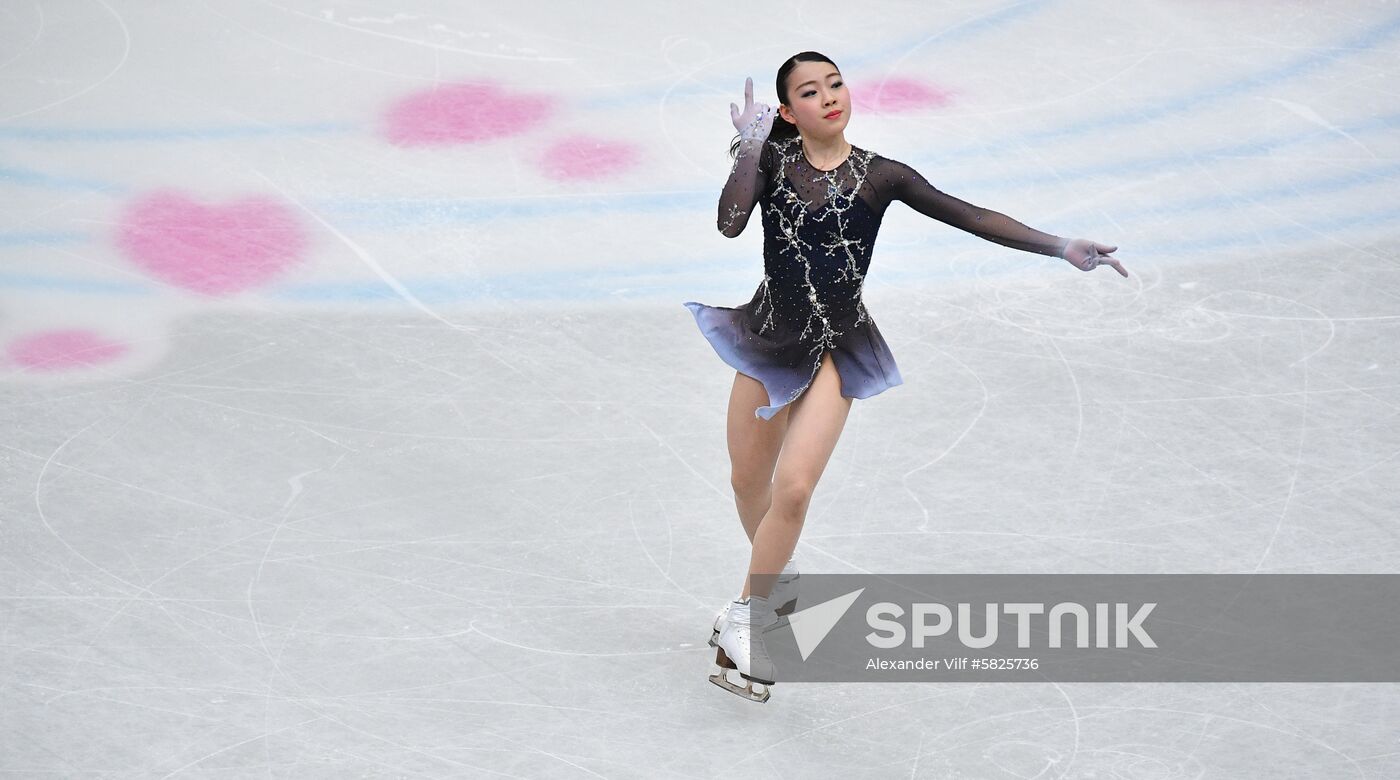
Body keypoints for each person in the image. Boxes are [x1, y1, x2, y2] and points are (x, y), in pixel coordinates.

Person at [683, 51, 1127, 703]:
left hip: (839, 343)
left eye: (835, 83)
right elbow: (729, 222)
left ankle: (753, 617)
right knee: (748, 481)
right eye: (810, 91)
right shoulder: (774, 163)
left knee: (795, 489)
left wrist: (1059, 245)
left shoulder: (880, 175)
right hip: (770, 336)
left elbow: (969, 215)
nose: (829, 96)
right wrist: (749, 148)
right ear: (788, 112)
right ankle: (777, 582)